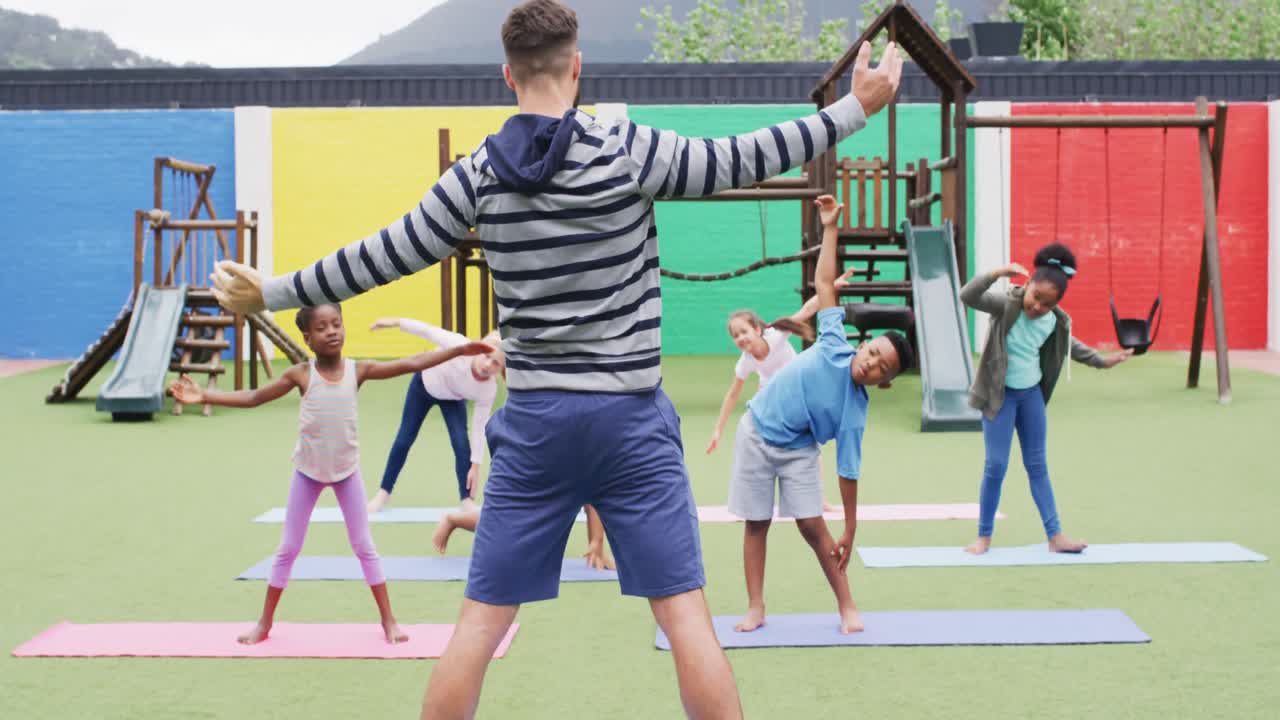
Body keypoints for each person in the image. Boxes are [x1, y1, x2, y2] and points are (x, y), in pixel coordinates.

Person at [208, 1, 903, 714]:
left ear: (508, 75)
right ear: (577, 67)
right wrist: (857, 106)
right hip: (631, 426)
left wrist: (273, 289)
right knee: (686, 617)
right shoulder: (627, 148)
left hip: (536, 429)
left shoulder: (476, 176)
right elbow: (745, 155)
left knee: (479, 625)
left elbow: (380, 255)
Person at [167, 302, 492, 645]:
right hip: (307, 473)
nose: (332, 331)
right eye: (322, 328)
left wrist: (459, 350)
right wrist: (205, 394)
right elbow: (254, 397)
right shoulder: (301, 375)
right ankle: (264, 624)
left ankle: (389, 622)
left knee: (364, 546)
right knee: (288, 548)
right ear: (308, 338)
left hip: (345, 473)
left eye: (336, 324)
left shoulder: (359, 370)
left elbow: (409, 364)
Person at [729, 194, 912, 635]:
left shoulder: (854, 412)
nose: (870, 362)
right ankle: (756, 607)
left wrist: (850, 528)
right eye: (873, 351)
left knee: (813, 526)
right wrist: (830, 228)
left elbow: (848, 472)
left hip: (797, 450)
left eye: (881, 367)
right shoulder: (834, 341)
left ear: (883, 382)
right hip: (755, 431)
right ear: (863, 344)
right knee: (756, 524)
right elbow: (825, 285)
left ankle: (847, 606)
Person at [960, 243, 1132, 556]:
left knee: (1037, 465)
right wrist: (998, 273)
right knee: (996, 465)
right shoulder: (1006, 305)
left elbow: (1074, 348)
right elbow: (968, 296)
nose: (1038, 307)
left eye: (1047, 304)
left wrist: (1103, 361)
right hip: (999, 397)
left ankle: (1055, 536)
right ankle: (984, 536)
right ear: (1026, 286)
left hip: (1031, 398)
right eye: (1036, 297)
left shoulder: (1055, 322)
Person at [366, 318, 504, 514]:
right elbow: (427, 330)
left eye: (496, 364)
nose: (488, 365)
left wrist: (476, 465)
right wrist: (395, 322)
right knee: (404, 439)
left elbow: (480, 428)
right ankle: (383, 494)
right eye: (486, 356)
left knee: (461, 443)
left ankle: (466, 500)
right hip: (423, 386)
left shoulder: (488, 389)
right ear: (478, 349)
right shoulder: (460, 345)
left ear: (500, 369)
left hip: (453, 399)